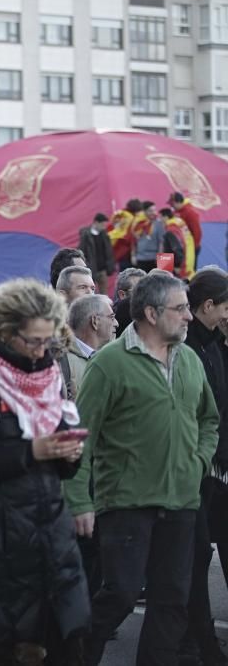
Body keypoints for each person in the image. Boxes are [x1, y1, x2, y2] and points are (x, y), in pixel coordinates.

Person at [65, 271, 220, 665]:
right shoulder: (110, 363)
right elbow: (81, 435)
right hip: (127, 501)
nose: (189, 316)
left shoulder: (189, 359)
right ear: (151, 313)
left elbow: (208, 419)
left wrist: (199, 460)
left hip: (183, 501)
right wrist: (79, 501)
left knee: (171, 601)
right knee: (120, 593)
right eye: (180, 308)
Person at [0, 278, 89, 665]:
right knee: (0, 653)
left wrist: (68, 453)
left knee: (65, 646)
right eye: (33, 341)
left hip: (51, 540)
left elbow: (62, 469)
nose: (42, 350)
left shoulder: (49, 375)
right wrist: (31, 451)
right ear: (6, 333)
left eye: (48, 341)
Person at [182, 269, 228, 665]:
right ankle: (198, 643)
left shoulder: (213, 344)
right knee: (194, 559)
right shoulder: (187, 348)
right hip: (195, 473)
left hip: (216, 470)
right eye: (225, 307)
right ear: (208, 306)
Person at [79, 213, 116, 296]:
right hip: (91, 269)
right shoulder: (86, 235)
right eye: (102, 225)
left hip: (102, 269)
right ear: (96, 223)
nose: (104, 227)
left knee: (104, 293)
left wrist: (109, 265)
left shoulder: (104, 234)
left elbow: (108, 251)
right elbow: (81, 251)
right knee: (90, 292)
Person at [160, 207, 196, 279]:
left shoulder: (171, 230)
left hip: (171, 263)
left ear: (166, 217)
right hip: (187, 260)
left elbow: (176, 248)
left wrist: (177, 265)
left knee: (168, 285)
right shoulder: (179, 224)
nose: (160, 220)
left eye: (161, 217)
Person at [109, 199, 144, 271]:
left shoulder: (120, 215)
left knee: (124, 275)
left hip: (121, 252)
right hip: (130, 252)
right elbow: (131, 238)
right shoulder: (133, 219)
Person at [132, 201, 164, 273]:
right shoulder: (138, 223)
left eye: (154, 210)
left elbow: (161, 242)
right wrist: (133, 255)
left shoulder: (158, 223)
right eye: (150, 211)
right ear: (144, 211)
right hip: (140, 258)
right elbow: (133, 241)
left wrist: (160, 258)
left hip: (154, 258)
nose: (153, 212)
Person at [113, 267, 146, 337]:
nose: (145, 295)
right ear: (122, 294)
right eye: (139, 291)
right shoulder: (112, 322)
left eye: (147, 289)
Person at [170, 191, 203, 257]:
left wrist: (194, 247)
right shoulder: (175, 212)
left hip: (189, 247)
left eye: (172, 204)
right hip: (178, 246)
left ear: (178, 202)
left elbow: (197, 231)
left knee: (187, 266)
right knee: (170, 266)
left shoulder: (190, 213)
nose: (171, 206)